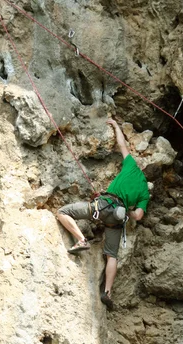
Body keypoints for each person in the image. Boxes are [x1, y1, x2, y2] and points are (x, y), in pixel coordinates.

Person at [57, 118, 150, 309]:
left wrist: (116, 126)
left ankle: (81, 239)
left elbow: (122, 144)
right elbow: (138, 215)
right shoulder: (145, 193)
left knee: (63, 212)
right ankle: (107, 292)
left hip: (104, 205)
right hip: (117, 217)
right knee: (111, 255)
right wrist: (128, 213)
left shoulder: (132, 165)